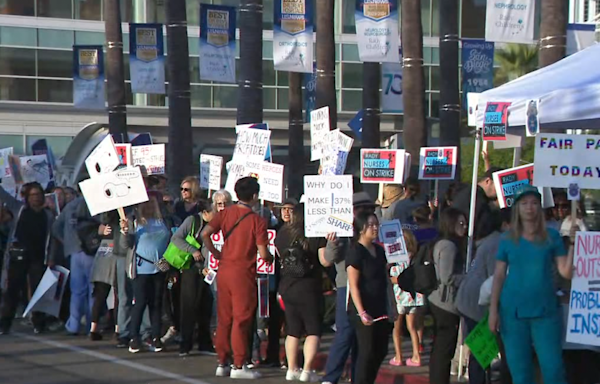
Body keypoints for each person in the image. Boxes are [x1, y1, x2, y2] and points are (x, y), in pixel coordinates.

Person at [489, 185, 575, 384]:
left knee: (553, 369)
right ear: (517, 208)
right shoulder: (507, 239)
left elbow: (566, 272)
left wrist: (571, 245)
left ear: (540, 207)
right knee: (520, 372)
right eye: (525, 203)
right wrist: (493, 310)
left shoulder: (552, 237)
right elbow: (499, 275)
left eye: (535, 203)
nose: (530, 207)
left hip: (546, 311)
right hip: (513, 313)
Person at [201, 177, 273, 379]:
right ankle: (239, 364)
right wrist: (269, 258)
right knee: (242, 319)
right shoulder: (257, 221)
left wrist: (216, 253)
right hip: (244, 272)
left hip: (224, 270)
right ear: (255, 196)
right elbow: (263, 252)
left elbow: (205, 233)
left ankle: (222, 361)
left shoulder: (225, 214)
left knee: (224, 318)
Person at [321, 192, 378, 384]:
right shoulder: (343, 232)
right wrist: (332, 241)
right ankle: (331, 378)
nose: (365, 213)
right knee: (345, 333)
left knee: (362, 337)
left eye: (369, 209)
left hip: (370, 288)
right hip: (347, 287)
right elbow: (329, 260)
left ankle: (357, 376)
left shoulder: (374, 230)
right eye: (361, 209)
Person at [456, 209, 512, 384]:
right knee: (481, 351)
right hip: (477, 301)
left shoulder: (492, 240)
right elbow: (495, 278)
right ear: (505, 225)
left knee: (480, 351)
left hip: (471, 298)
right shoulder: (499, 242)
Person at [276, 204, 327, 382]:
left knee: (293, 329)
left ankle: (292, 369)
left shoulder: (282, 233)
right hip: (309, 286)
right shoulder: (315, 234)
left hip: (287, 285)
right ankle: (307, 370)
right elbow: (325, 261)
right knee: (313, 330)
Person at [123, 193, 175, 353]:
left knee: (157, 303)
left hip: (160, 267)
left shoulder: (163, 221)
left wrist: (169, 267)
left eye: (152, 203)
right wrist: (125, 232)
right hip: (141, 269)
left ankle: (156, 337)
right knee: (140, 303)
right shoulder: (134, 222)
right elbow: (127, 244)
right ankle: (134, 338)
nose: (150, 206)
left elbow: (171, 240)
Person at [0, 182, 55, 334]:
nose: (35, 198)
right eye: (32, 195)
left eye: (38, 195)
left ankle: (39, 323)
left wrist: (50, 258)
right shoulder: (19, 209)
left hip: (37, 258)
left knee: (38, 292)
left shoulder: (48, 215)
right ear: (27, 197)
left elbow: (52, 239)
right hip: (17, 257)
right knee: (12, 291)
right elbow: (5, 196)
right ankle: (5, 324)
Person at [346, 211, 392, 384]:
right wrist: (361, 311)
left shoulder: (379, 250)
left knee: (381, 350)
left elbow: (383, 276)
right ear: (360, 229)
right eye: (370, 225)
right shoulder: (356, 251)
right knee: (367, 351)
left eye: (376, 224)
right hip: (362, 308)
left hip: (380, 306)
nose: (375, 228)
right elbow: (354, 285)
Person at [170, 200, 215, 357]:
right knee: (188, 306)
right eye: (213, 213)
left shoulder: (218, 225)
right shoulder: (193, 221)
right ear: (205, 213)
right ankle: (185, 343)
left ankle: (204, 342)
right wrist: (193, 250)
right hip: (190, 267)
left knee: (206, 306)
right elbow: (177, 238)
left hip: (208, 269)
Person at [428, 207, 467, 384]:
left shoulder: (445, 243)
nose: (464, 227)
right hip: (445, 302)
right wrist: (467, 278)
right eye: (460, 223)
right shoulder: (448, 246)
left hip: (441, 301)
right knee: (444, 349)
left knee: (441, 349)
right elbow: (447, 277)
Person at [161, 177, 201, 345]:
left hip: (193, 256)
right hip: (176, 252)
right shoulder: (177, 206)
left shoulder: (199, 208)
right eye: (182, 189)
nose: (183, 192)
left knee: (190, 297)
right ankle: (174, 325)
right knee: (171, 292)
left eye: (187, 189)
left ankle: (190, 330)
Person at [389, 230, 424, 367]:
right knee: (412, 327)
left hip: (399, 297)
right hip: (413, 297)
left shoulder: (397, 260)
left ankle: (399, 356)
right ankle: (416, 355)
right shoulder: (414, 258)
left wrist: (389, 276)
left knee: (397, 328)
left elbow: (396, 279)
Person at [452, 168, 501, 241]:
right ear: (488, 181)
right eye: (499, 187)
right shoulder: (477, 198)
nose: (500, 191)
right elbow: (484, 226)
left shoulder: (468, 192)